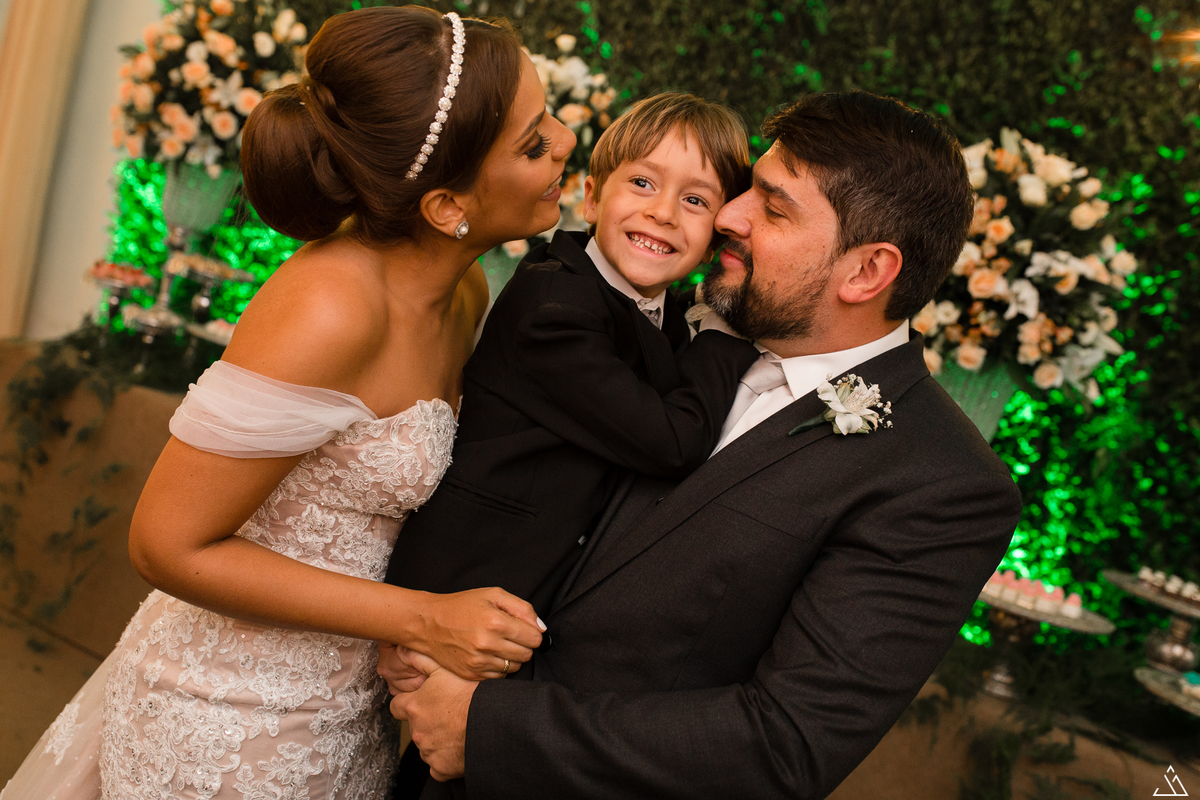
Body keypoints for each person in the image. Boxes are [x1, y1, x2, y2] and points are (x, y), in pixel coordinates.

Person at [385, 90, 1025, 799]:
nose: (728, 215)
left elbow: (783, 744)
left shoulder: (942, 484)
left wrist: (489, 728)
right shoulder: (671, 328)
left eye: (773, 209)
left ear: (867, 271)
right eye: (748, 187)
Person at [2, 7, 574, 799]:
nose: (566, 143)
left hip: (351, 715)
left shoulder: (464, 287)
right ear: (446, 206)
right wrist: (421, 618)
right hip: (223, 722)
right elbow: (167, 545)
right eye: (533, 140)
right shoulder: (329, 309)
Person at [382, 91, 760, 794]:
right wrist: (728, 326)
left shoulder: (658, 316)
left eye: (696, 200)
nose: (661, 211)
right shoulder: (553, 307)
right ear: (591, 194)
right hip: (460, 603)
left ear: (719, 230)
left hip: (531, 628)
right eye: (642, 183)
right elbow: (674, 440)